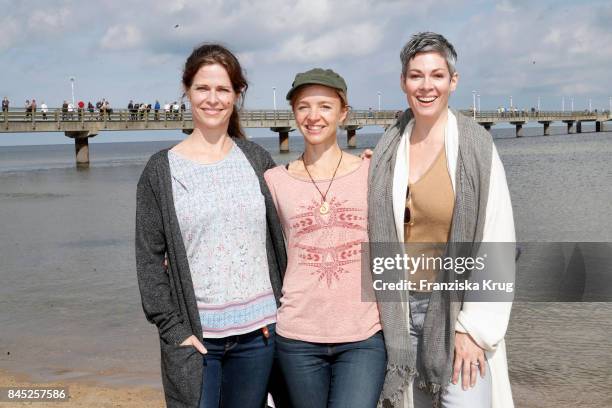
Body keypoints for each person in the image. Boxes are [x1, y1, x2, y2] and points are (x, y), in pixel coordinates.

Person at [135, 43, 287, 408]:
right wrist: (173, 329)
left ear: (237, 94)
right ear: (187, 91)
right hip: (197, 340)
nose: (213, 99)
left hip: (260, 334)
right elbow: (148, 259)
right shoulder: (161, 170)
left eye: (223, 89)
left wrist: (364, 169)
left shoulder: (256, 160)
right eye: (203, 88)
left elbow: (299, 209)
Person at [368, 32, 515, 408]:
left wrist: (475, 330)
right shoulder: (388, 149)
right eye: (416, 76)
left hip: (457, 311)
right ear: (403, 82)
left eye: (436, 75)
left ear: (453, 81)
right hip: (399, 313)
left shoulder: (477, 148)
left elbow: (498, 240)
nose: (426, 86)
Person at [264, 68, 386, 408]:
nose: (313, 116)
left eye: (325, 106)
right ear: (294, 113)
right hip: (297, 336)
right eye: (303, 107)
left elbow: (412, 222)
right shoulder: (274, 181)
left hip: (363, 334)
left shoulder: (371, 172)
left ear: (343, 112)